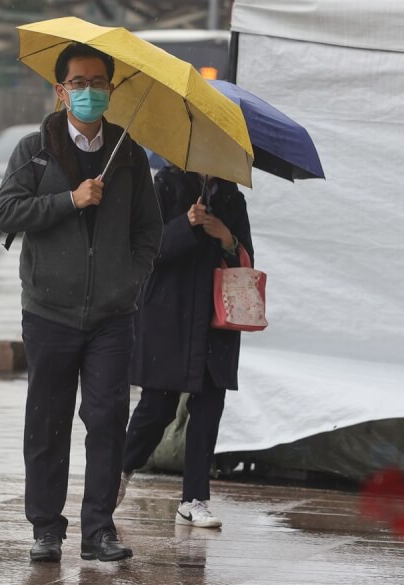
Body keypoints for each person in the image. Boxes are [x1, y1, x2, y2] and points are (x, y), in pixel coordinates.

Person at [0, 43, 162, 562]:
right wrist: (71, 199)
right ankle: (46, 528)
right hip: (49, 312)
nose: (88, 92)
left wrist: (129, 280)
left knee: (108, 419)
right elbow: (6, 212)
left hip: (112, 316)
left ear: (111, 90)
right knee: (47, 421)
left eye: (97, 83)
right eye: (78, 83)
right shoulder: (34, 149)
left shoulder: (128, 153)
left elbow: (148, 229)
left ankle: (99, 531)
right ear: (60, 89)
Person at [117, 164, 253, 528]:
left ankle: (194, 499)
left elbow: (246, 261)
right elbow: (146, 250)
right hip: (169, 316)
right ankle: (120, 471)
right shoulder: (163, 186)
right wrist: (186, 224)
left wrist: (227, 238)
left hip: (214, 323)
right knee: (156, 406)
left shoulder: (232, 198)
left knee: (208, 408)